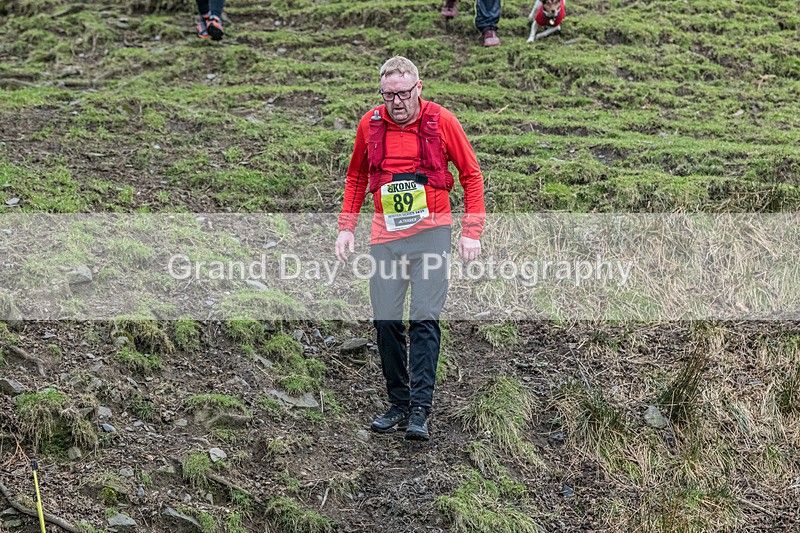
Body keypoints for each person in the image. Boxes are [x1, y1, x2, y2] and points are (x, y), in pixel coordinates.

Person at [335, 56, 486, 441]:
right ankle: (398, 402)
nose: (397, 102)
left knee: (423, 317)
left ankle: (420, 408)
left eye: (403, 94)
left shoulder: (442, 121)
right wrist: (346, 227)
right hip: (386, 236)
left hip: (433, 232)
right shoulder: (370, 124)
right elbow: (357, 175)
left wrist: (472, 230)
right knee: (385, 320)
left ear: (418, 88)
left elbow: (471, 175)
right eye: (389, 95)